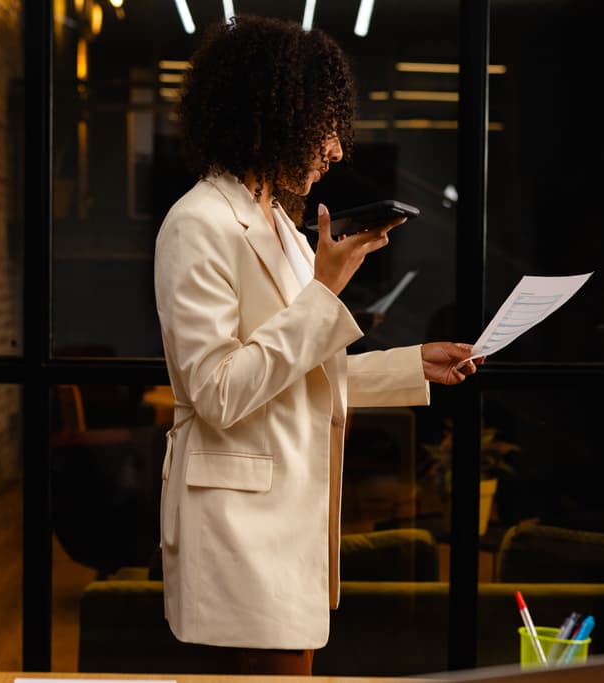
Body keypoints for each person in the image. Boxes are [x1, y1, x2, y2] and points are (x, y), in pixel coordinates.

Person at [153, 15, 483, 675]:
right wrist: (325, 287)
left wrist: (411, 364)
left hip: (286, 516)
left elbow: (304, 370)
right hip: (239, 524)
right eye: (323, 126)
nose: (336, 150)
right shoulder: (197, 224)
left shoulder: (276, 221)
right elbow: (219, 392)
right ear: (269, 117)